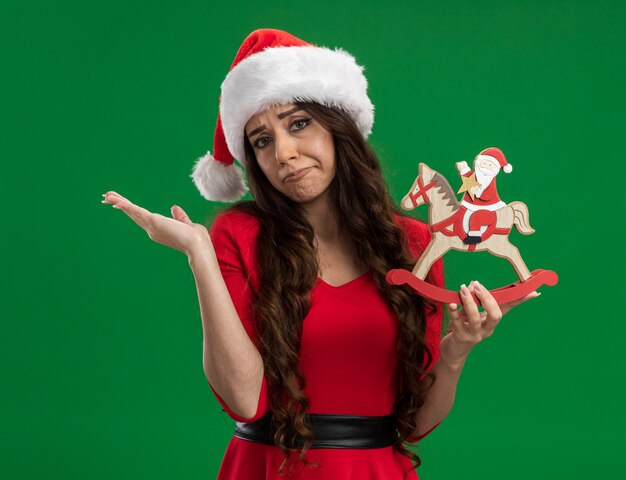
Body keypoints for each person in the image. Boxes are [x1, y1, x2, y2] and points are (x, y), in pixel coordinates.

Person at [102, 29, 537, 480]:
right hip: (268, 468)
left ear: (337, 126)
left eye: (298, 123)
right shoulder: (239, 233)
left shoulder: (414, 243)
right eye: (262, 140)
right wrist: (199, 254)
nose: (285, 154)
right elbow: (244, 401)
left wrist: (456, 352)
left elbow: (415, 423)